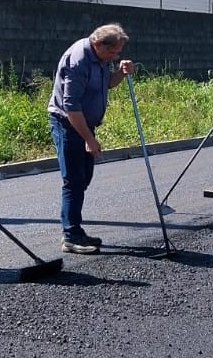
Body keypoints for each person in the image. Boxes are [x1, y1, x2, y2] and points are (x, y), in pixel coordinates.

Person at [48, 24, 135, 254]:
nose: (114, 57)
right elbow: (71, 107)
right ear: (98, 44)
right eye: (112, 52)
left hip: (84, 124)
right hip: (68, 124)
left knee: (84, 177)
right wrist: (88, 138)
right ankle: (71, 235)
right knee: (74, 180)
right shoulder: (79, 61)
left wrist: (121, 72)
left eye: (117, 53)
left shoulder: (100, 58)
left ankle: (75, 228)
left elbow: (108, 83)